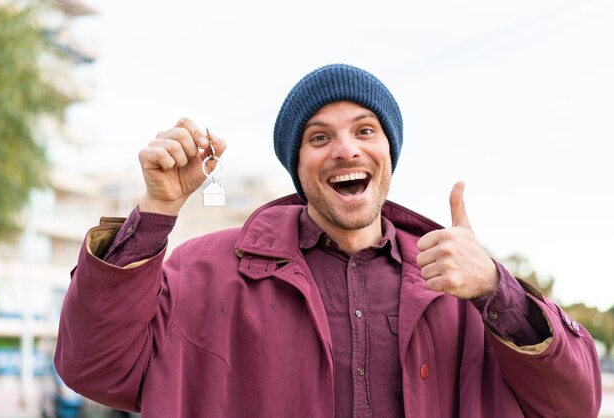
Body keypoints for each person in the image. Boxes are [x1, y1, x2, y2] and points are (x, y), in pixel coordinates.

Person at [55, 64, 602, 418]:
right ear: (299, 168)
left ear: (389, 153)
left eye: (365, 130)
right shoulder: (200, 273)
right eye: (320, 137)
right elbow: (95, 369)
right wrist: (158, 209)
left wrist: (495, 291)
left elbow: (575, 403)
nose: (346, 150)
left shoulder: (463, 284)